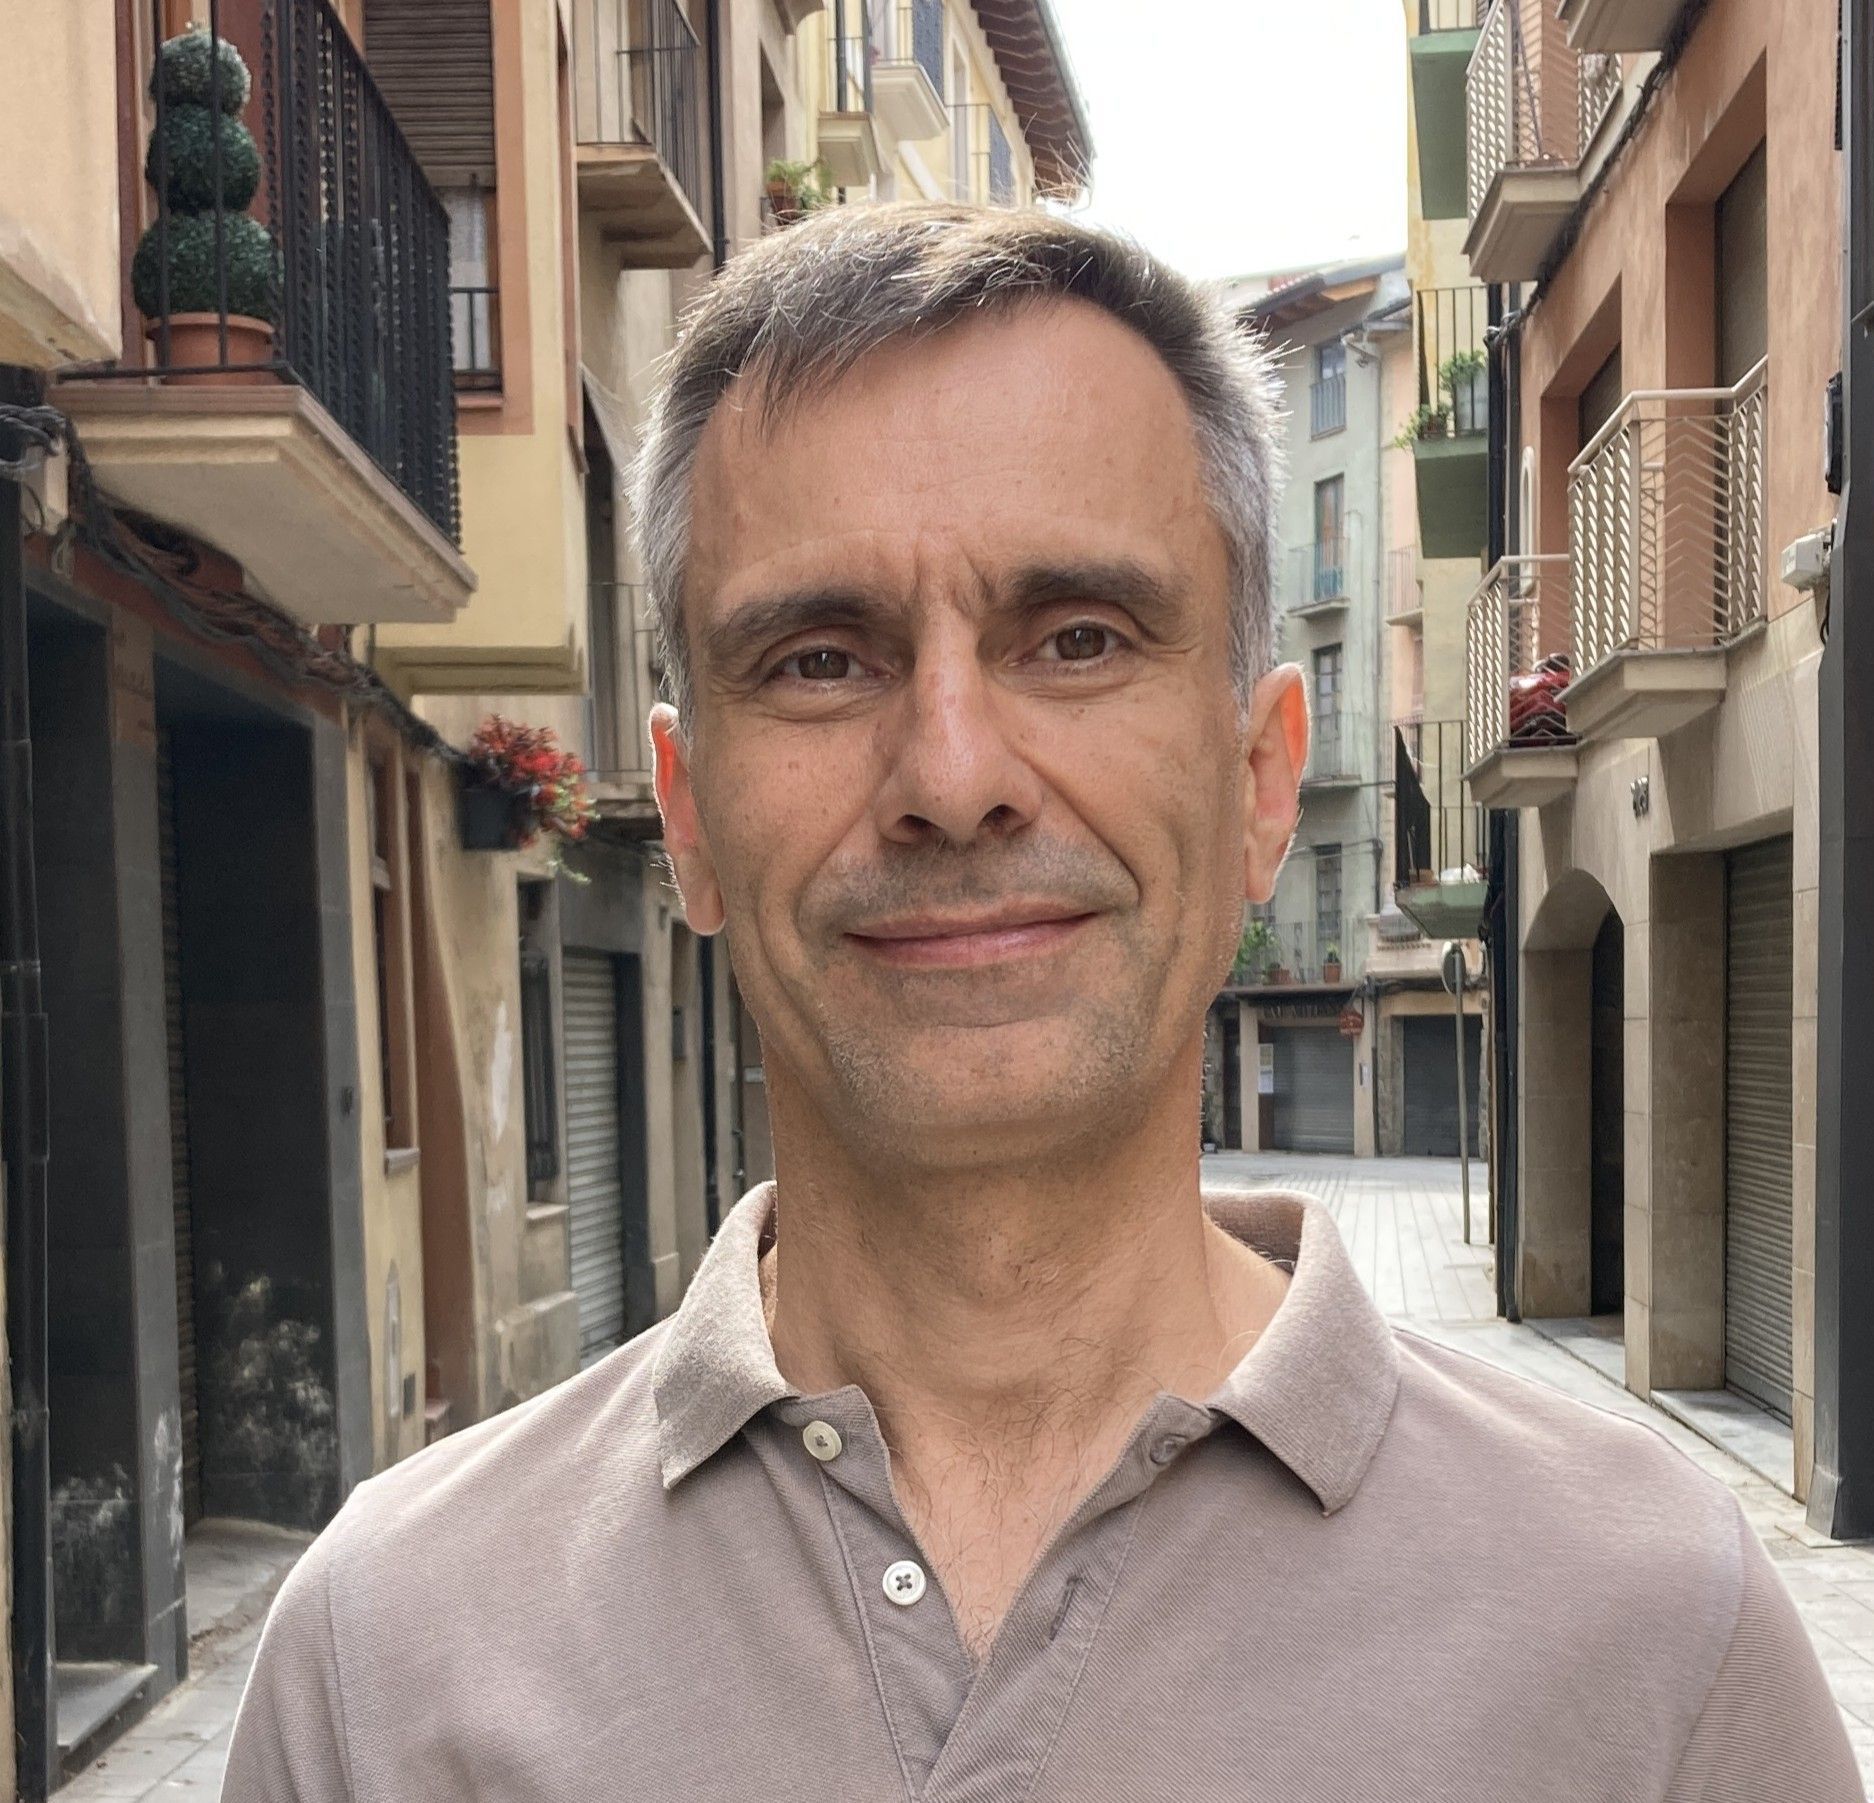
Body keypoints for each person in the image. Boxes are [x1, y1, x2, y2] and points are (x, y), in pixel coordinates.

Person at [222, 204, 1862, 1802]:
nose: (951, 777)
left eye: (1077, 639)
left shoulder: (1653, 1639)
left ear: (1260, 780)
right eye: (818, 660)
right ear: (690, 817)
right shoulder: (385, 1666)